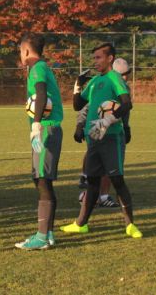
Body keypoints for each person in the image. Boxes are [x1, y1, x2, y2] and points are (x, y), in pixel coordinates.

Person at [61, 43, 142, 238]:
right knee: (92, 181)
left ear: (110, 58)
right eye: (94, 58)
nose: (95, 61)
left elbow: (126, 103)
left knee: (117, 180)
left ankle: (130, 224)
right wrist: (77, 85)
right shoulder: (96, 81)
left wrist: (108, 120)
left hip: (111, 137)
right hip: (94, 136)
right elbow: (78, 105)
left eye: (98, 57)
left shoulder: (115, 78)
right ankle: (81, 223)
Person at [14, 33, 63, 250]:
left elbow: (41, 94)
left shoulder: (37, 69)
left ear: (25, 50)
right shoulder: (42, 67)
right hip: (49, 129)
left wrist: (36, 124)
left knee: (42, 179)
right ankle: (48, 232)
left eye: (20, 51)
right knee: (42, 180)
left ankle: (42, 236)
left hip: (45, 129)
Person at [74, 58, 133, 208]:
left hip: (114, 130)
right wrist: (79, 126)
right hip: (101, 129)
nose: (125, 77)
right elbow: (85, 107)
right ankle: (101, 195)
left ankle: (89, 194)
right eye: (123, 74)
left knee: (103, 165)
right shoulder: (104, 83)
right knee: (107, 166)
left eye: (127, 74)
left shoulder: (122, 86)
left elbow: (125, 110)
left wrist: (126, 127)